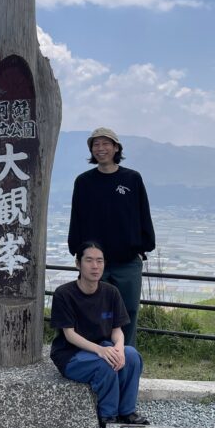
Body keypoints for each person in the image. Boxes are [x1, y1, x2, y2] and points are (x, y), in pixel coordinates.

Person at [68, 127, 155, 348]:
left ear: (116, 148)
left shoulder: (132, 179)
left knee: (129, 311)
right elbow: (76, 218)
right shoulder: (84, 182)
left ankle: (126, 356)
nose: (101, 148)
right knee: (94, 311)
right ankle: (99, 355)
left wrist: (144, 246)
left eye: (106, 143)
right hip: (95, 261)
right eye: (96, 144)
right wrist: (76, 249)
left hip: (128, 260)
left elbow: (143, 214)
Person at [50, 242, 149, 428]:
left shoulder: (111, 292)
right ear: (78, 264)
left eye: (99, 261)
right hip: (71, 354)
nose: (95, 266)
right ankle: (108, 415)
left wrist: (119, 348)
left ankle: (127, 411)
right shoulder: (64, 294)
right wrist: (101, 351)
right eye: (89, 260)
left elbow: (117, 330)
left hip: (101, 347)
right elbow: (69, 335)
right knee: (105, 364)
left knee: (132, 356)